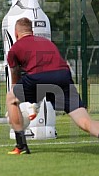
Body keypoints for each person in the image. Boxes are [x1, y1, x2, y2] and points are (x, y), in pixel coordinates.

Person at [6, 17, 99, 154]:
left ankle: (21, 145)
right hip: (63, 76)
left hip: (39, 77)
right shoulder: (46, 42)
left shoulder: (15, 48)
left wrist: (15, 88)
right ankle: (34, 106)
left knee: (11, 98)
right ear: (31, 31)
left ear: (16, 33)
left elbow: (15, 71)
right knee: (85, 122)